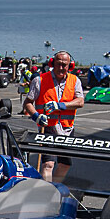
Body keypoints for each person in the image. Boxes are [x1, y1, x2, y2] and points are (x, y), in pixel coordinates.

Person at [22, 51, 84, 182]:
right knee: (48, 163)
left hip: (67, 129)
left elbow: (80, 101)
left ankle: (54, 189)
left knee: (65, 163)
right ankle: (46, 193)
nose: (61, 68)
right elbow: (28, 103)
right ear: (52, 64)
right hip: (48, 127)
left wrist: (60, 105)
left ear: (70, 66)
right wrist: (36, 116)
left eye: (64, 65)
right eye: (58, 64)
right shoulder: (40, 80)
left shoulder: (75, 81)